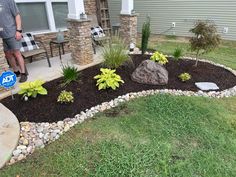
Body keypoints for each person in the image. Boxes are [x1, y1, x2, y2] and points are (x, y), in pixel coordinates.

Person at [0, 0, 27, 82]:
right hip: (1, 35)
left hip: (12, 32)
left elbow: (17, 15)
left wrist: (18, 30)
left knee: (17, 53)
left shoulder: (8, 1)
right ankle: (16, 71)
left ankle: (23, 73)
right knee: (7, 54)